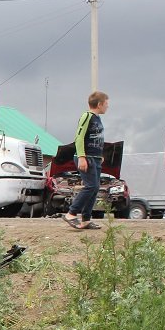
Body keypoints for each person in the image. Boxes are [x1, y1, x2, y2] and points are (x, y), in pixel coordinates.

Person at [63, 91, 109, 230]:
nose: (107, 107)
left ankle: (86, 219)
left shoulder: (98, 118)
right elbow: (80, 137)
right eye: (106, 104)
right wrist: (82, 157)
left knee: (95, 188)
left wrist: (99, 154)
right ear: (99, 104)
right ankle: (71, 213)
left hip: (94, 157)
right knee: (90, 186)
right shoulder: (87, 116)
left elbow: (95, 138)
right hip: (85, 157)